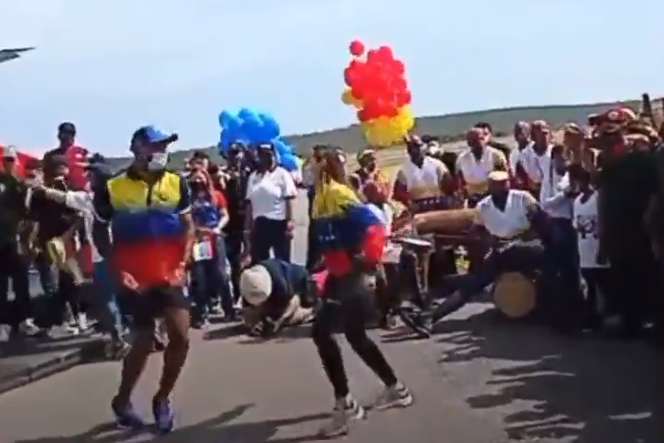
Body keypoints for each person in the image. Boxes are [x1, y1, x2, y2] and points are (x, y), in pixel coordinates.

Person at [93, 125, 195, 433]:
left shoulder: (178, 182)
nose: (161, 152)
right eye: (155, 146)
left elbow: (188, 226)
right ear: (137, 148)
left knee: (181, 336)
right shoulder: (113, 187)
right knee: (143, 342)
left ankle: (162, 398)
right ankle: (122, 401)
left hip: (169, 274)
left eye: (164, 146)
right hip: (134, 277)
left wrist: (183, 261)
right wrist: (117, 268)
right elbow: (99, 230)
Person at [311, 147, 413, 438]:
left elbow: (374, 226)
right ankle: (395, 388)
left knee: (322, 333)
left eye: (314, 164)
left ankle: (346, 405)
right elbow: (329, 240)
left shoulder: (336, 194)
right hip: (337, 276)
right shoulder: (320, 197)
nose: (310, 169)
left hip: (350, 278)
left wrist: (366, 262)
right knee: (354, 336)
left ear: (324, 166)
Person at [400, 171, 550, 336]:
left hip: (527, 247)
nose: (502, 189)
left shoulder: (523, 198)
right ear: (490, 188)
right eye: (498, 186)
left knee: (543, 262)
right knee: (471, 285)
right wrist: (488, 241)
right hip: (501, 251)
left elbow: (542, 224)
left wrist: (531, 238)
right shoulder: (483, 207)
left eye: (505, 185)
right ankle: (428, 318)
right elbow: (478, 233)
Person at [27, 157, 129, 353]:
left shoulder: (89, 200)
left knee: (106, 300)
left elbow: (63, 197)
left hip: (104, 258)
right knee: (123, 298)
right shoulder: (120, 200)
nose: (87, 177)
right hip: (123, 256)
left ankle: (119, 340)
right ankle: (143, 334)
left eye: (91, 174)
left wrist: (43, 190)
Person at [187, 166, 233, 326]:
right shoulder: (187, 198)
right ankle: (201, 313)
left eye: (201, 177)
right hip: (196, 240)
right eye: (195, 178)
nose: (198, 180)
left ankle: (229, 309)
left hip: (214, 238)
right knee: (199, 278)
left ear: (207, 178)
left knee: (220, 275)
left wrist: (218, 228)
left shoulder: (216, 196)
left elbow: (225, 215)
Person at [0, 146, 38, 336]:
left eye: (11, 159)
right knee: (1, 283)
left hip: (16, 240)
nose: (8, 163)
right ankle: (2, 324)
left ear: (16, 162)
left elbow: (29, 212)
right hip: (1, 240)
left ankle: (23, 320)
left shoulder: (21, 185)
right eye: (5, 159)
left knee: (21, 282)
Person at [571, 166, 613, 331]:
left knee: (603, 284)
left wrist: (604, 247)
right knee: (589, 285)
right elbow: (576, 224)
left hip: (598, 248)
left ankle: (606, 317)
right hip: (584, 249)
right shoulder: (577, 201)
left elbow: (604, 224)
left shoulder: (598, 199)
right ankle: (592, 318)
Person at [244, 143, 297, 263]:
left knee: (282, 261)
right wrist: (247, 228)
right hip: (259, 224)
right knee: (259, 261)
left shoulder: (282, 174)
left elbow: (289, 198)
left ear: (274, 156)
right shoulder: (253, 177)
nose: (265, 158)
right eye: (262, 155)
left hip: (278, 222)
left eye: (268, 155)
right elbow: (249, 203)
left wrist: (290, 221)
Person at [239, 259, 316, 337]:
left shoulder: (282, 286)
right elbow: (247, 309)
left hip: (302, 286)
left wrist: (279, 321)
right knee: (251, 319)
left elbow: (294, 302)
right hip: (273, 294)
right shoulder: (248, 280)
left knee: (287, 318)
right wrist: (253, 323)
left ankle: (310, 312)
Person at [220, 143, 251, 304]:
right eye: (231, 153)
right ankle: (238, 294)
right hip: (230, 224)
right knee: (233, 262)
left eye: (237, 153)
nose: (235, 156)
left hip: (246, 222)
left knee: (249, 259)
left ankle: (250, 294)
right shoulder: (223, 174)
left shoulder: (250, 173)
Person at [455, 127, 509, 206]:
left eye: (480, 138)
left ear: (484, 139)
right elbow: (460, 180)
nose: (478, 142)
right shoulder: (462, 158)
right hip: (473, 199)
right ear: (468, 142)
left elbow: (504, 177)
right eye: (473, 140)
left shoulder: (496, 155)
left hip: (494, 198)